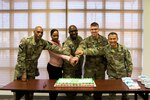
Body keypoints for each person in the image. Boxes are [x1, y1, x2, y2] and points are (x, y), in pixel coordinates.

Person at [14, 26, 70, 100]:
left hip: (31, 71)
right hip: (21, 70)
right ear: (34, 32)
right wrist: (23, 73)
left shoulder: (42, 43)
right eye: (38, 32)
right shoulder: (25, 41)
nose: (40, 34)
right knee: (18, 93)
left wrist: (69, 54)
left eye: (41, 32)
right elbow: (21, 58)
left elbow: (54, 48)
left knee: (30, 93)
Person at [76, 32, 133, 100]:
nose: (112, 41)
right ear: (108, 40)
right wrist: (83, 52)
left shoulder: (124, 49)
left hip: (123, 74)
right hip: (112, 75)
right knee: (112, 94)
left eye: (114, 39)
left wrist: (129, 73)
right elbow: (95, 51)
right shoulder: (106, 49)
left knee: (125, 94)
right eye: (110, 39)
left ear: (117, 39)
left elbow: (129, 62)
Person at [75, 22, 108, 100]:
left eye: (95, 29)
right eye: (92, 29)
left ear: (98, 29)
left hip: (100, 68)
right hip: (89, 69)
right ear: (90, 30)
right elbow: (80, 48)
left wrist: (84, 51)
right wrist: (77, 56)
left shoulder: (104, 40)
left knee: (99, 89)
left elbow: (102, 51)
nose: (94, 31)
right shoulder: (86, 40)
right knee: (87, 89)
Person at [62, 25, 83, 100]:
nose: (74, 32)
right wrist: (74, 57)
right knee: (69, 89)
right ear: (69, 32)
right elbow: (66, 52)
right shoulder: (67, 42)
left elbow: (82, 48)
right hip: (69, 70)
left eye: (75, 31)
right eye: (71, 31)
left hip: (78, 68)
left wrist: (77, 56)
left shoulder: (80, 39)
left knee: (77, 87)